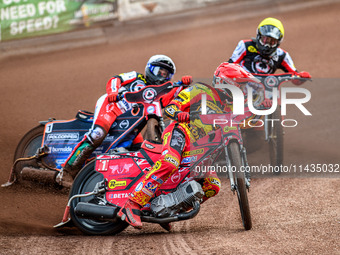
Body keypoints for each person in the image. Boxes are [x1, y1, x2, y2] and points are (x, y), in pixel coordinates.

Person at [58, 54, 193, 187]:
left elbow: (174, 97)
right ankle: (67, 171)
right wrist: (113, 92)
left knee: (139, 149)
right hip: (112, 107)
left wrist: (184, 85)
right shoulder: (136, 77)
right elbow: (116, 79)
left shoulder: (161, 93)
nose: (161, 76)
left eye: (165, 74)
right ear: (150, 69)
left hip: (131, 123)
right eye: (159, 71)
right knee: (98, 133)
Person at [118, 82, 224, 229]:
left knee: (213, 185)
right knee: (170, 162)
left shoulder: (234, 106)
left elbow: (245, 122)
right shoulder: (201, 90)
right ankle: (132, 204)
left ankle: (168, 209)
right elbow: (171, 107)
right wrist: (179, 113)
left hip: (201, 149)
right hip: (181, 131)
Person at [228, 17, 311, 84]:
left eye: (272, 42)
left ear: (278, 42)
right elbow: (229, 66)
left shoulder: (282, 55)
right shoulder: (245, 45)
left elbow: (295, 78)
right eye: (265, 40)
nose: (267, 45)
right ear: (259, 36)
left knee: (277, 99)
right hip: (242, 86)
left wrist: (302, 76)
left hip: (265, 92)